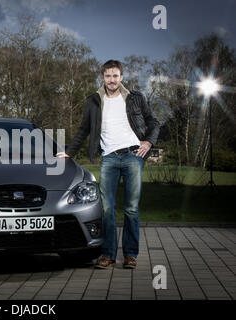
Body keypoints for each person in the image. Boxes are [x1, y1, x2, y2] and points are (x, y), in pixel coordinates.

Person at [57, 60, 160, 269]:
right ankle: (108, 255)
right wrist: (68, 152)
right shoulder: (94, 101)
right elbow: (83, 130)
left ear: (121, 77)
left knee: (131, 208)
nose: (111, 80)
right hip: (109, 159)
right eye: (107, 76)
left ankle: (131, 255)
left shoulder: (136, 98)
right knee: (107, 209)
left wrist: (149, 142)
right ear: (102, 77)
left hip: (133, 156)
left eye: (115, 76)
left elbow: (154, 122)